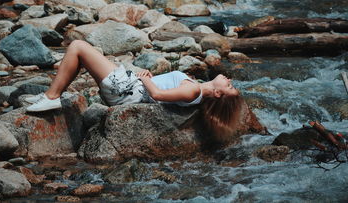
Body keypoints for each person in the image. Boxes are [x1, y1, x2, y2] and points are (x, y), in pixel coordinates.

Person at [26, 40, 243, 138]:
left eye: (229, 86)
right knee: (83, 55)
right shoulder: (194, 87)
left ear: (217, 93)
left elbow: (158, 95)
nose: (229, 79)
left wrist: (146, 78)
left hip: (129, 90)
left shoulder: (193, 92)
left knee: (78, 47)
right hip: (131, 87)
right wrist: (151, 77)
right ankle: (51, 94)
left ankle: (52, 96)